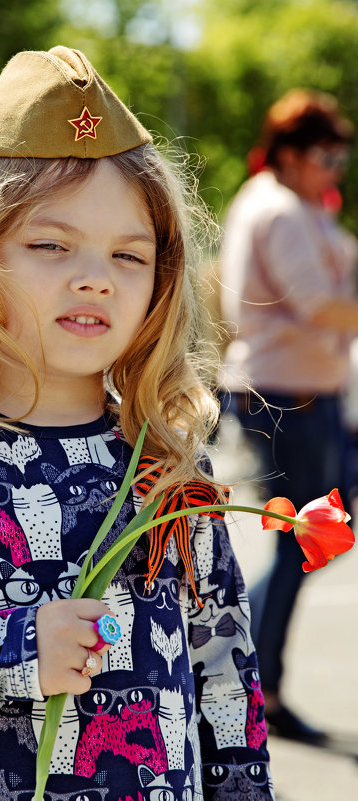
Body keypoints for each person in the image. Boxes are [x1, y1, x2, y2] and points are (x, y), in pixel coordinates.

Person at [0, 47, 272, 801]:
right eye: (48, 245)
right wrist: (14, 651)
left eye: (129, 255)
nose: (94, 275)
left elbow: (226, 684)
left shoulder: (166, 465)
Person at [220, 89, 358, 743]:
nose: (337, 167)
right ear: (295, 155)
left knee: (314, 536)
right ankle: (251, 682)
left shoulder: (295, 206)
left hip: (310, 395)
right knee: (305, 537)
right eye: (329, 154)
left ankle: (238, 668)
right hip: (285, 399)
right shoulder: (276, 210)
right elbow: (319, 306)